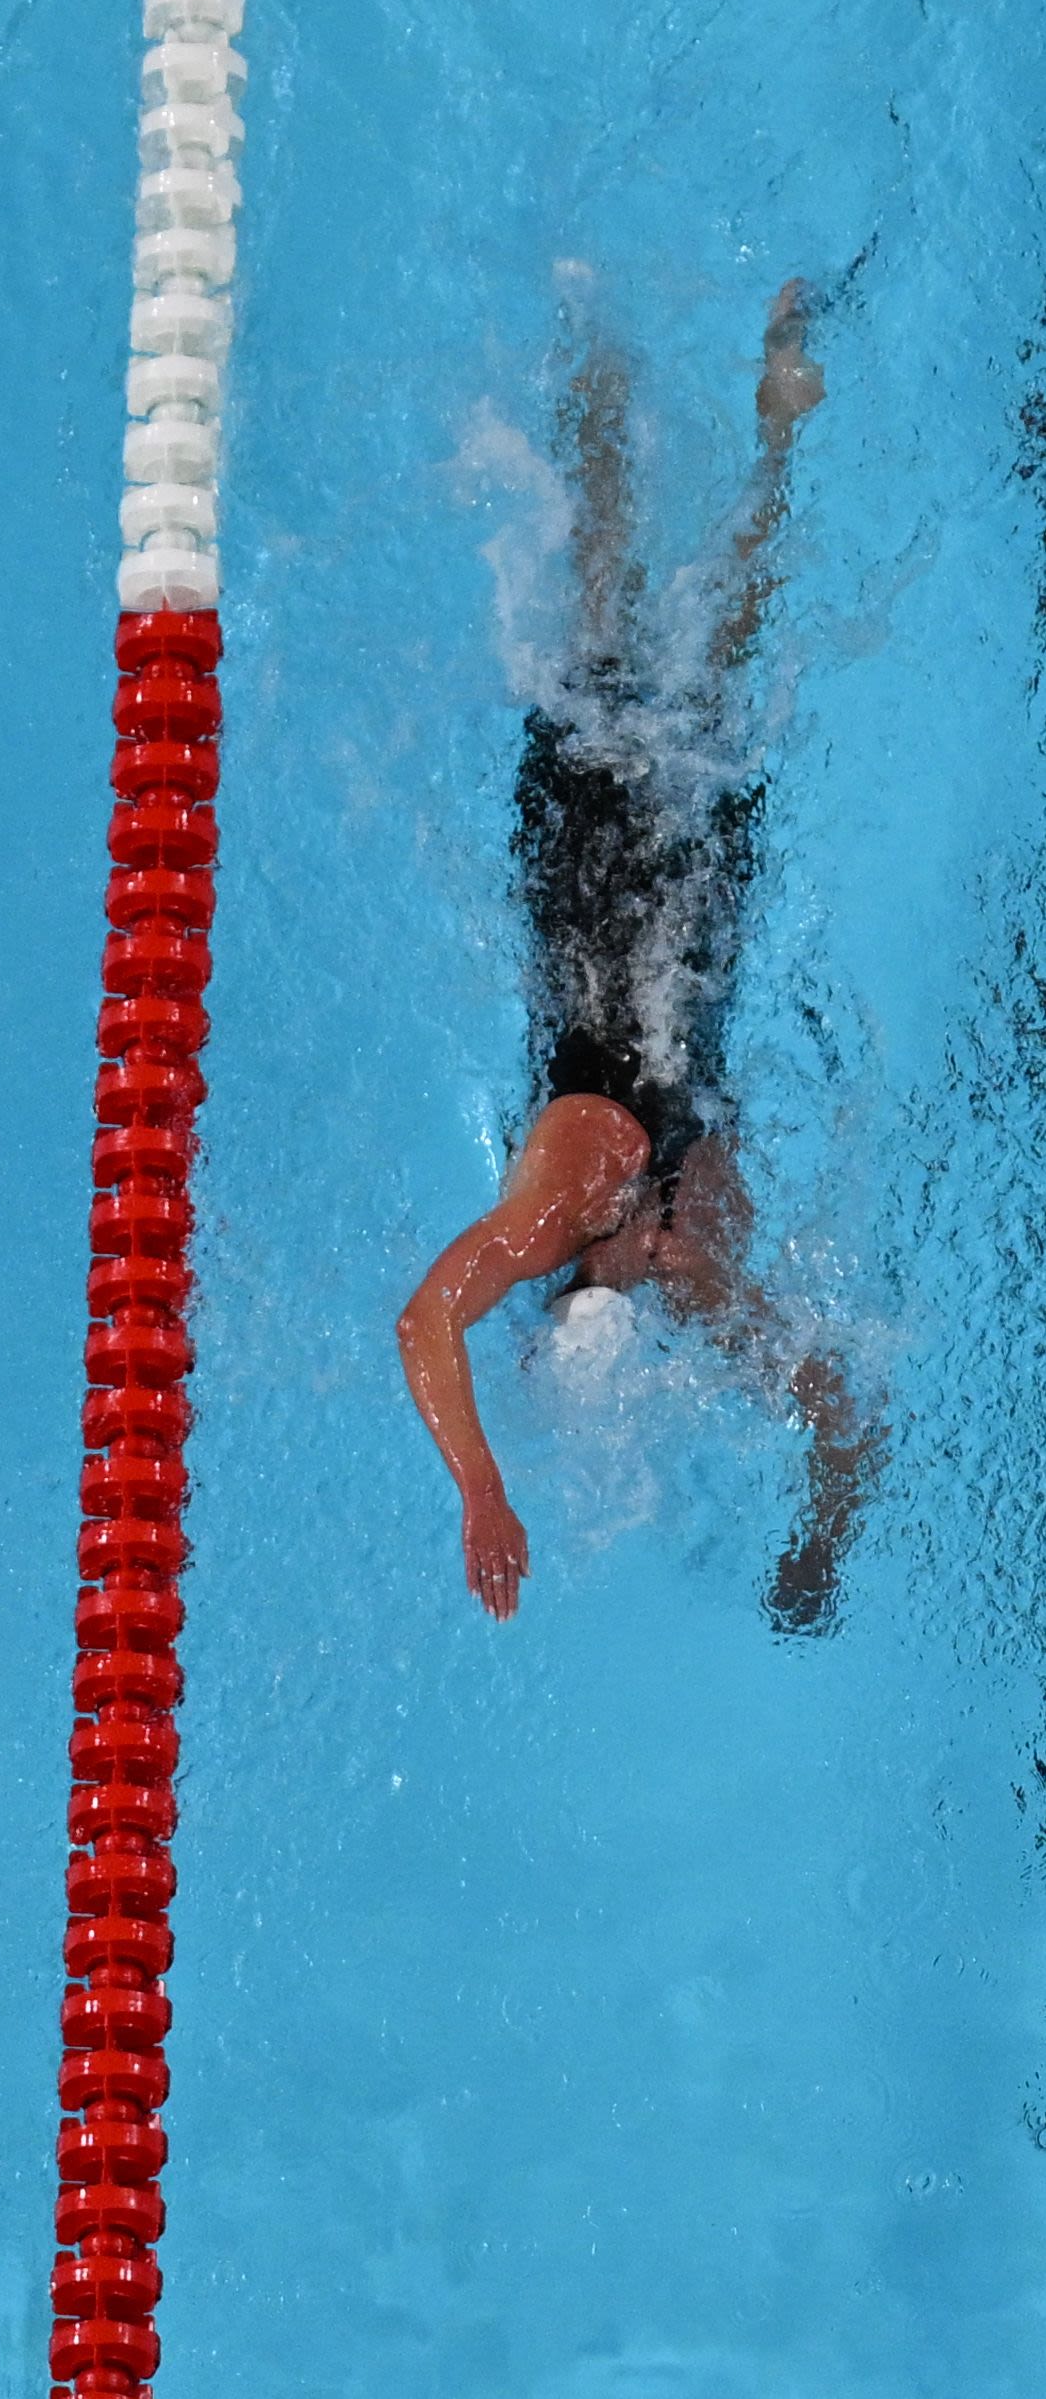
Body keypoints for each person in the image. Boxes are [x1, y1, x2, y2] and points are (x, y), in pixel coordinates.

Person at [397, 282, 871, 1633]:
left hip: (617, 875)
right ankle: (714, 407)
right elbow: (835, 1408)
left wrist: (481, 1489)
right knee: (664, 647)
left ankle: (680, 393)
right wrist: (819, 1544)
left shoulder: (569, 1201)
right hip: (655, 906)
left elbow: (425, 1323)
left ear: (580, 1285)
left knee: (664, 639)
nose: (656, 1270)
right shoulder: (674, 1260)